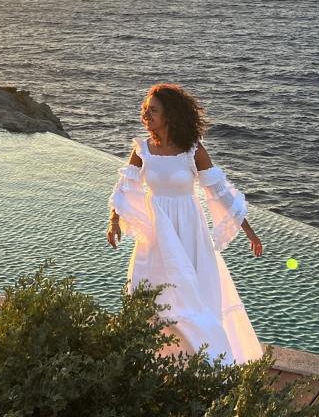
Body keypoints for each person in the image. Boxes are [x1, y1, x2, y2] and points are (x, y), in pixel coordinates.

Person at [107, 83, 264, 364]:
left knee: (192, 296)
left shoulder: (192, 149)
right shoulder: (142, 149)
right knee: (147, 291)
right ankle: (151, 357)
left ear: (170, 115)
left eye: (152, 110)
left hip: (188, 231)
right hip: (156, 235)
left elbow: (219, 191)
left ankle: (202, 359)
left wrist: (248, 230)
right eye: (145, 109)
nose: (146, 114)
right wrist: (114, 221)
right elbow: (125, 186)